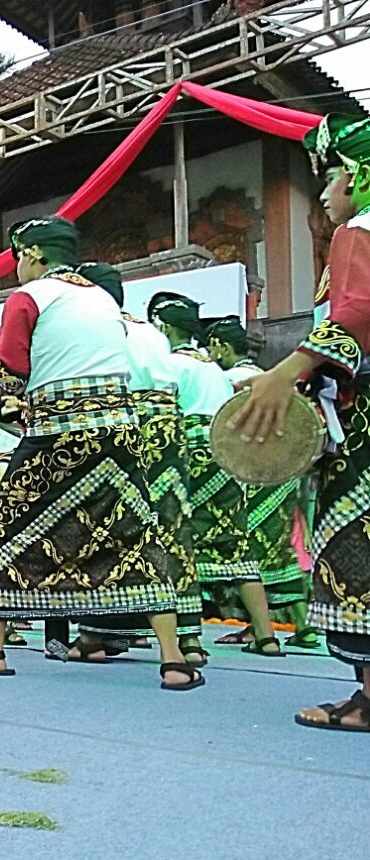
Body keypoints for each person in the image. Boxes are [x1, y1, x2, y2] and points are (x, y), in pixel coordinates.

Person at [0, 216, 201, 691]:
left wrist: (5, 395)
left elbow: (11, 369)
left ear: (32, 254)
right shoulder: (104, 300)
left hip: (56, 434)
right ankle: (173, 661)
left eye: (17, 257)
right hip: (120, 435)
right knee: (137, 535)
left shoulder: (27, 298)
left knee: (10, 533)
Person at [232, 113, 370, 730]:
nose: (324, 192)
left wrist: (279, 375)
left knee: (354, 543)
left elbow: (357, 318)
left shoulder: (358, 233)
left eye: (333, 176)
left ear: (360, 176)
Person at [74, 263, 197, 657]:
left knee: (113, 528)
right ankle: (188, 636)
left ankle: (100, 633)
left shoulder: (100, 330)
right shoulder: (150, 332)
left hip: (126, 426)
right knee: (172, 525)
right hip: (169, 429)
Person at [150, 294, 279, 657]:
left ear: (165, 328)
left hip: (188, 458)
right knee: (236, 544)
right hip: (226, 457)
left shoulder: (169, 365)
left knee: (177, 542)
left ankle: (185, 639)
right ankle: (266, 635)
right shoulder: (212, 369)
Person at [204, 315, 313, 648]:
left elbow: (225, 436)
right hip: (281, 473)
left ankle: (262, 628)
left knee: (246, 552)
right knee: (279, 550)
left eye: (211, 348)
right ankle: (300, 625)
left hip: (248, 476)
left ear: (222, 346)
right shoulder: (267, 377)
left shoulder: (230, 380)